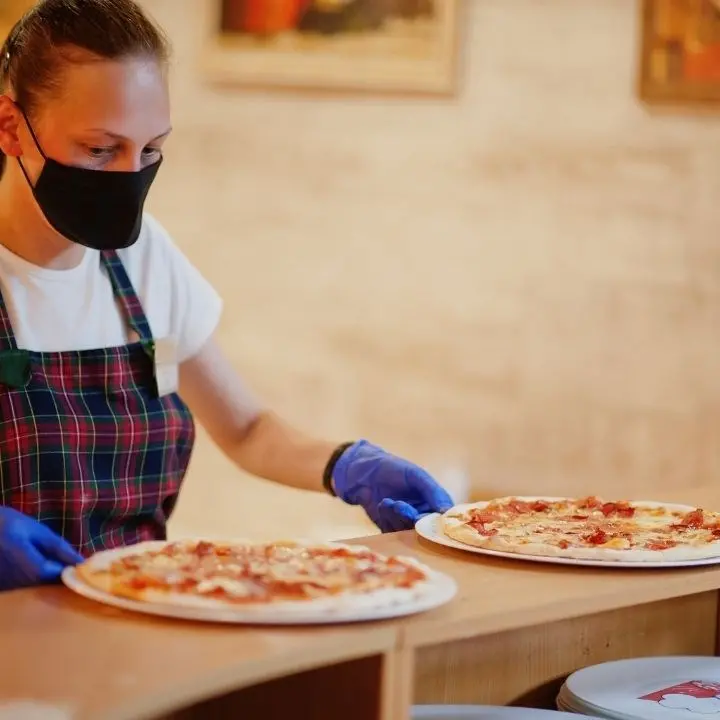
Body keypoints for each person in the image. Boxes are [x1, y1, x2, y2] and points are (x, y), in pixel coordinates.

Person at [0, 0, 454, 592]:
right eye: (99, 149)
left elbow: (245, 431)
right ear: (11, 126)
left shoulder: (141, 259)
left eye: (151, 149)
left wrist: (345, 464)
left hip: (129, 615)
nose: (129, 174)